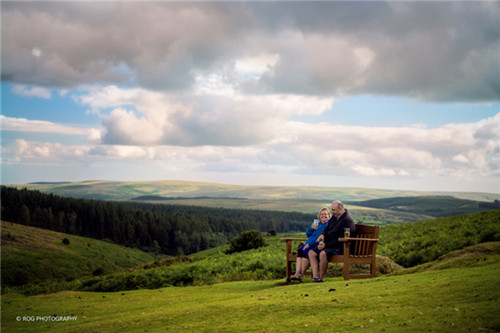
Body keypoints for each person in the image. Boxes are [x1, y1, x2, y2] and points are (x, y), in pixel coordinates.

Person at [308, 200, 355, 282]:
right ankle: (315, 277)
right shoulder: (335, 217)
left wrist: (325, 245)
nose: (331, 212)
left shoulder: (347, 220)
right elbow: (327, 228)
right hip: (330, 245)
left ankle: (321, 278)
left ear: (340, 209)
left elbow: (341, 239)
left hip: (342, 247)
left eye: (333, 210)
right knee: (311, 253)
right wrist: (322, 234)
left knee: (323, 253)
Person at [290, 207, 330, 281]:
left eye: (325, 214)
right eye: (321, 214)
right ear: (319, 216)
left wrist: (309, 244)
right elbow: (308, 234)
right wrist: (311, 228)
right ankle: (297, 273)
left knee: (306, 252)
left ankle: (301, 274)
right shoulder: (318, 223)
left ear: (328, 216)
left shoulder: (327, 225)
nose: (323, 216)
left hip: (315, 244)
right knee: (300, 250)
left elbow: (318, 237)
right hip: (309, 243)